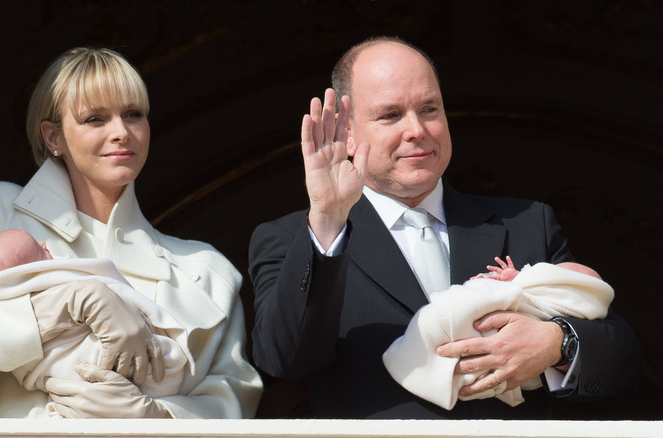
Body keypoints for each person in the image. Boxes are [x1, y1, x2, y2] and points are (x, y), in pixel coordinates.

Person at [248, 36, 643, 419]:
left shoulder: (526, 223)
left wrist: (557, 343)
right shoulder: (294, 238)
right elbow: (284, 358)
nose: (416, 129)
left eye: (429, 109)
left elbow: (623, 358)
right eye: (390, 115)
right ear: (348, 132)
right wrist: (328, 218)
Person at [0, 47, 262, 419]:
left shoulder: (207, 269)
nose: (121, 132)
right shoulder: (3, 211)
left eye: (133, 114)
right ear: (53, 137)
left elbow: (235, 400)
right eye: (95, 119)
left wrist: (154, 417)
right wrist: (74, 300)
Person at [0, 229, 195, 417]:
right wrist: (70, 300)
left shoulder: (208, 266)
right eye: (39, 250)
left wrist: (161, 417)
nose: (44, 242)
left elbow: (227, 399)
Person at [383, 256, 614, 410]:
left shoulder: (538, 220)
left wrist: (557, 342)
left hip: (512, 422)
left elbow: (614, 340)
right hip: (384, 417)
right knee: (448, 313)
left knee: (456, 312)